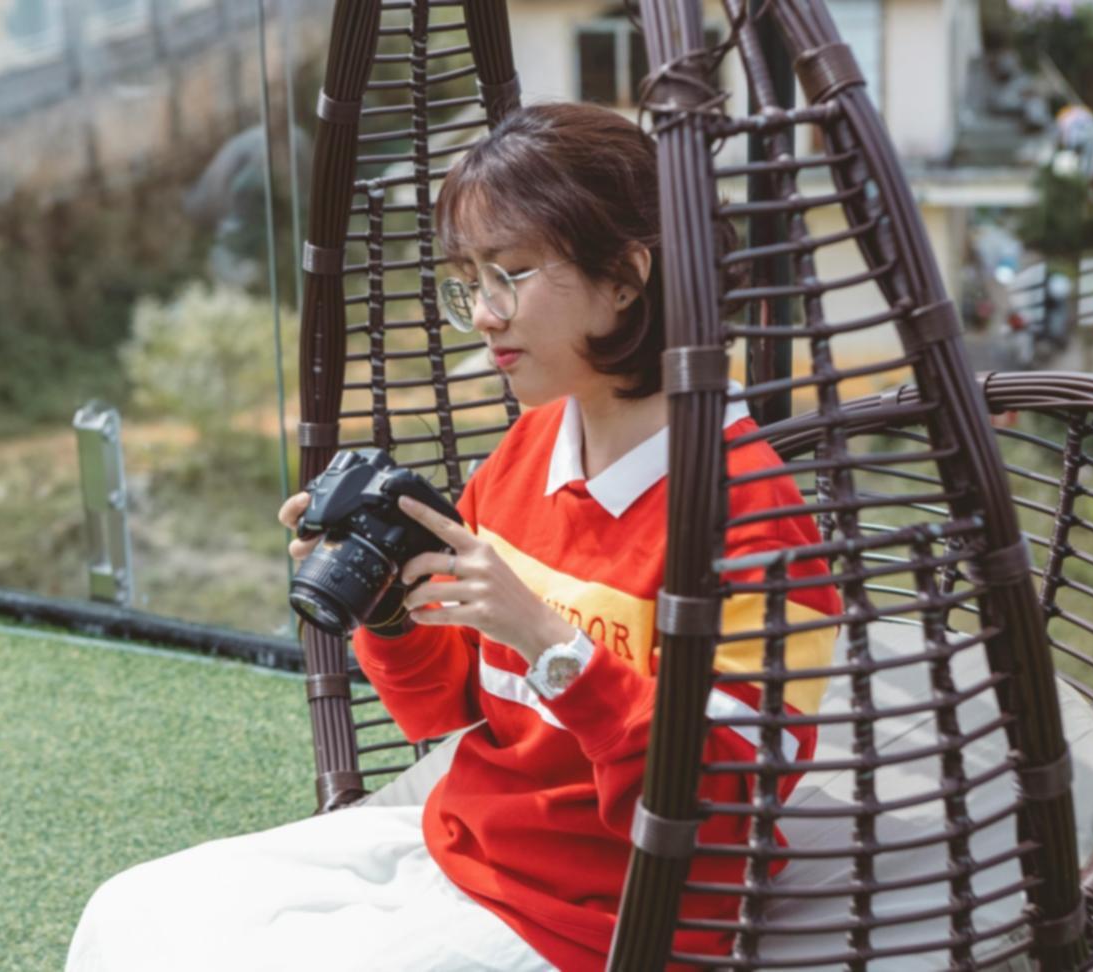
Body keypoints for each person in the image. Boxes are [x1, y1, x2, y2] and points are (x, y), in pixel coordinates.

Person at [66, 102, 840, 972]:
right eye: (469, 280)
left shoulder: (750, 517)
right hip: (465, 850)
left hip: (607, 922)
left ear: (626, 277)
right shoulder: (531, 450)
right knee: (127, 913)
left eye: (509, 273)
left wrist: (552, 644)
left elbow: (729, 811)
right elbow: (445, 709)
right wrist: (394, 609)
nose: (481, 315)